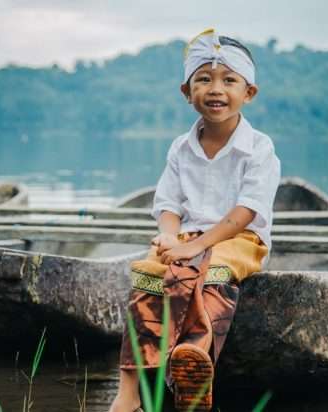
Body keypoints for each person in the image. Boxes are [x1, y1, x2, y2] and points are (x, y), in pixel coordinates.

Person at [109, 29, 281, 412]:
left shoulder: (259, 148)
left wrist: (197, 246)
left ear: (248, 92)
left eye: (228, 80)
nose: (216, 89)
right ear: (187, 92)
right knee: (148, 271)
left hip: (241, 239)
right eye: (204, 79)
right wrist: (169, 238)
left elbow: (246, 211)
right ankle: (129, 391)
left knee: (213, 272)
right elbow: (168, 203)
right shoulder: (180, 148)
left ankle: (193, 358)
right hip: (189, 235)